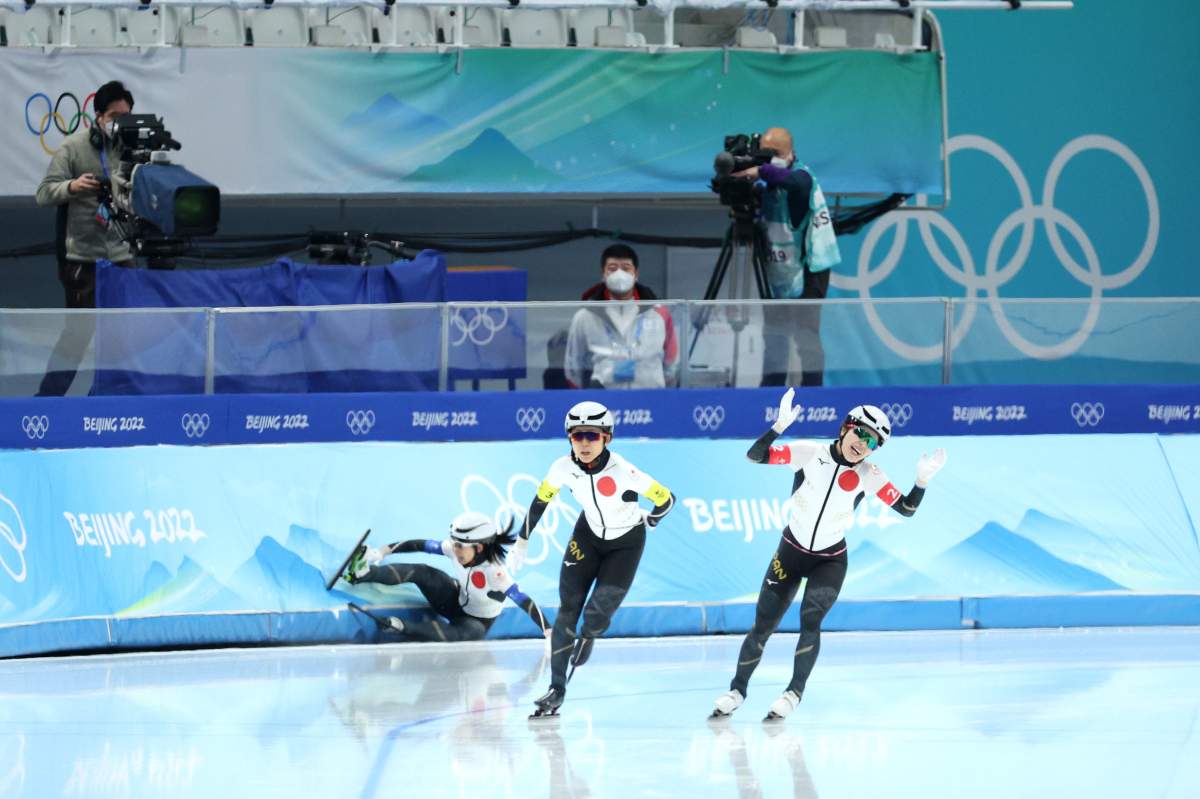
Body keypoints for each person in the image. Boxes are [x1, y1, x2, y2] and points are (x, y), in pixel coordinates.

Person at [711, 388, 946, 721]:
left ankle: (793, 693)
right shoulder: (808, 452)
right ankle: (736, 691)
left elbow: (906, 509)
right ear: (845, 428)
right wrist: (777, 428)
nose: (863, 443)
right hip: (790, 552)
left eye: (873, 441)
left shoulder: (871, 475)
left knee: (811, 621)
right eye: (860, 433)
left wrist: (921, 481)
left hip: (830, 561)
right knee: (762, 625)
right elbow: (755, 455)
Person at [509, 400, 676, 717]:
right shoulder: (561, 468)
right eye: (577, 436)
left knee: (595, 617)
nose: (584, 443)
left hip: (625, 545)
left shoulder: (625, 472)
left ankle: (590, 634)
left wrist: (651, 520)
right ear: (569, 438)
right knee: (567, 610)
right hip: (586, 536)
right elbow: (540, 501)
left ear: (607, 438)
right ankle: (556, 688)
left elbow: (667, 499)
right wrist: (522, 539)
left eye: (592, 436)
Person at [34, 80, 138, 397]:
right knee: (77, 335)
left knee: (123, 336)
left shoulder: (133, 148)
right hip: (82, 258)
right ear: (98, 116)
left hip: (121, 256)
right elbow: (43, 193)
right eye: (114, 116)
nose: (120, 123)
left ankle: (102, 401)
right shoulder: (73, 147)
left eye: (126, 116)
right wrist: (72, 187)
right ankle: (47, 402)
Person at [342, 511, 552, 645]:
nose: (455, 549)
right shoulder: (456, 548)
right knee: (424, 571)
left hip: (474, 623)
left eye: (460, 546)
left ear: (479, 548)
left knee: (469, 634)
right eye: (454, 544)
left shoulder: (495, 573)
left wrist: (548, 629)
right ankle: (364, 574)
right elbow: (419, 545)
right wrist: (381, 552)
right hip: (453, 601)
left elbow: (524, 600)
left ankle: (401, 627)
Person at [734, 127, 840, 387]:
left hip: (809, 267)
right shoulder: (771, 184)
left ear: (790, 152)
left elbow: (795, 185)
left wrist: (760, 171)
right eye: (765, 154)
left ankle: (813, 396)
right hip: (780, 267)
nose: (769, 159)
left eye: (775, 153)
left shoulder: (802, 176)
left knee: (806, 335)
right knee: (774, 336)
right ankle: (770, 393)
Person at [564, 243, 679, 389]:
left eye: (626, 268)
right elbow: (573, 365)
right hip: (604, 401)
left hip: (650, 400)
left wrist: (665, 395)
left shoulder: (659, 313)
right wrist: (584, 401)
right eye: (612, 269)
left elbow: (672, 363)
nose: (620, 274)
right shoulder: (585, 316)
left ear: (636, 274)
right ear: (604, 275)